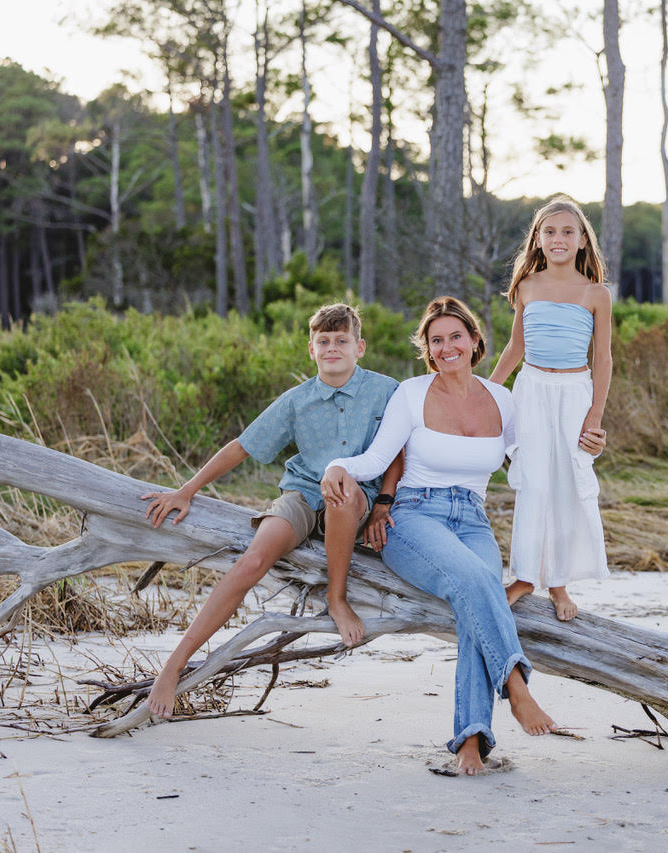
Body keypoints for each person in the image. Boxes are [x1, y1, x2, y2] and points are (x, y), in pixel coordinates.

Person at [321, 296, 604, 775]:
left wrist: (586, 442)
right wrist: (336, 467)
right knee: (478, 582)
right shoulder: (411, 393)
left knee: (475, 599)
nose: (447, 346)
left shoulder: (502, 400)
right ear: (428, 351)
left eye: (456, 336)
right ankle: (516, 687)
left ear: (475, 341)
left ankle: (471, 738)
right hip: (413, 517)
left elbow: (534, 462)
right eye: (437, 341)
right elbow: (374, 459)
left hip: (472, 519)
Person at [140, 303, 401, 719]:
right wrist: (187, 490)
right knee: (252, 561)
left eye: (341, 341)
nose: (332, 348)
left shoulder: (386, 390)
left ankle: (336, 598)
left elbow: (401, 449)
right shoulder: (297, 401)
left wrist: (384, 503)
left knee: (342, 488)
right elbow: (243, 445)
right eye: (324, 341)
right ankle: (171, 668)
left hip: (356, 499)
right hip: (302, 493)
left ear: (360, 347)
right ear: (311, 349)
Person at [488, 196, 612, 621]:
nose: (558, 238)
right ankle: (523, 576)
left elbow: (603, 359)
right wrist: (489, 392)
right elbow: (516, 346)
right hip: (532, 391)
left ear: (582, 241)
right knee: (534, 484)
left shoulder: (596, 294)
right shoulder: (527, 286)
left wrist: (594, 415)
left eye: (567, 232)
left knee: (565, 485)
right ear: (537, 240)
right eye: (550, 231)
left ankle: (558, 584)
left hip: (574, 393)